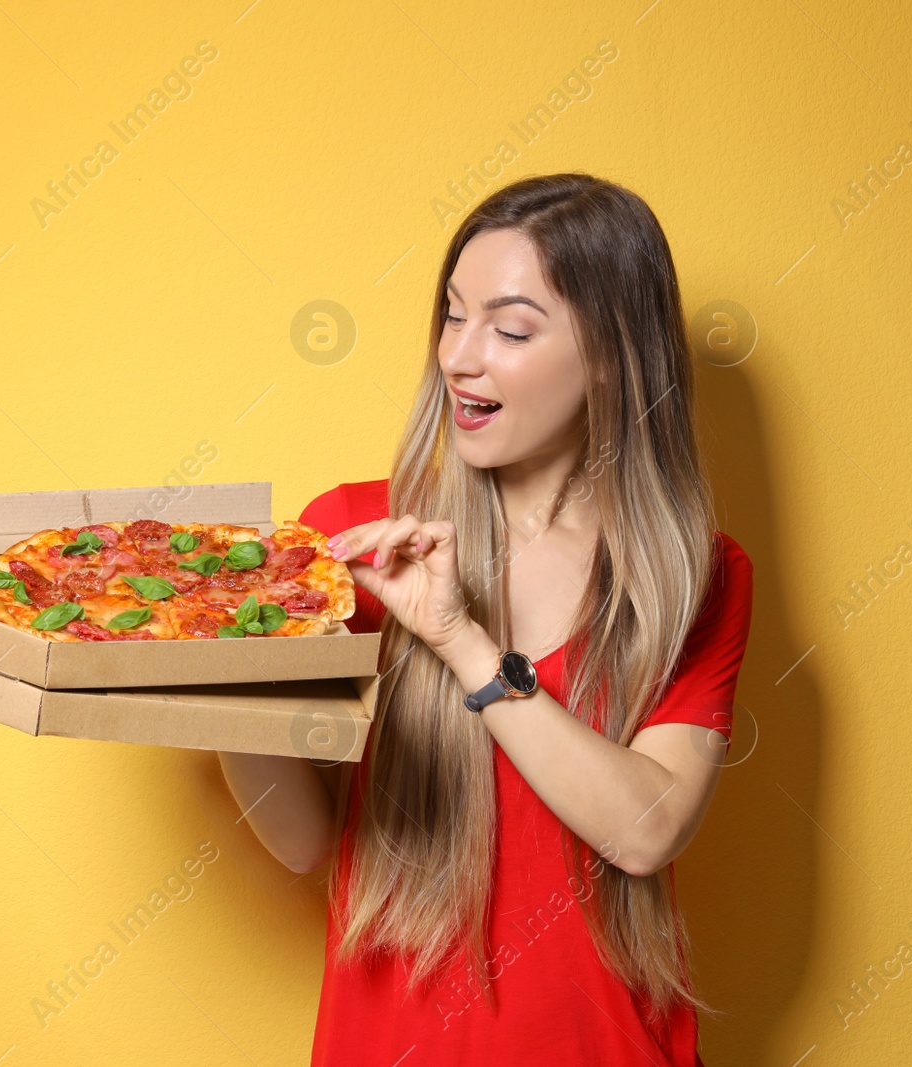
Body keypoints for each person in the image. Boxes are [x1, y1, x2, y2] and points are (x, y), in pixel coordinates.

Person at [216, 172, 754, 1065]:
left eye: (508, 328)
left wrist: (462, 640)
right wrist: (219, 678)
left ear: (615, 354)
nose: (460, 356)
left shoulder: (692, 573)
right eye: (452, 315)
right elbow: (307, 841)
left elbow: (646, 829)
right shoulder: (350, 538)